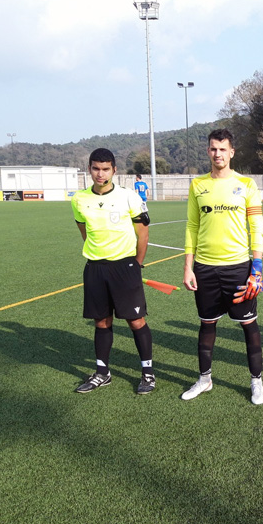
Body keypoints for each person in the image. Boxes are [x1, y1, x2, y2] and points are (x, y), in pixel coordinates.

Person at [182, 128, 263, 405]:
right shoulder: (197, 185)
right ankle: (204, 379)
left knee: (248, 325)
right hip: (205, 268)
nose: (218, 154)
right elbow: (192, 227)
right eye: (213, 149)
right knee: (207, 325)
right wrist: (188, 267)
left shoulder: (247, 184)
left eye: (223, 149)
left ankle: (256, 382)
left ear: (232, 152)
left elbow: (257, 227)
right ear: (208, 151)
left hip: (238, 268)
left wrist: (256, 268)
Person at [71, 148, 154, 394]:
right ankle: (102, 372)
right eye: (96, 168)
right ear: (89, 169)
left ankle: (147, 374)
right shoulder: (79, 199)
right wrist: (97, 254)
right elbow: (84, 231)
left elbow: (143, 233)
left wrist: (136, 264)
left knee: (136, 320)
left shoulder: (128, 197)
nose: (100, 173)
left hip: (125, 266)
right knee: (101, 321)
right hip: (96, 268)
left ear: (114, 170)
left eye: (106, 169)